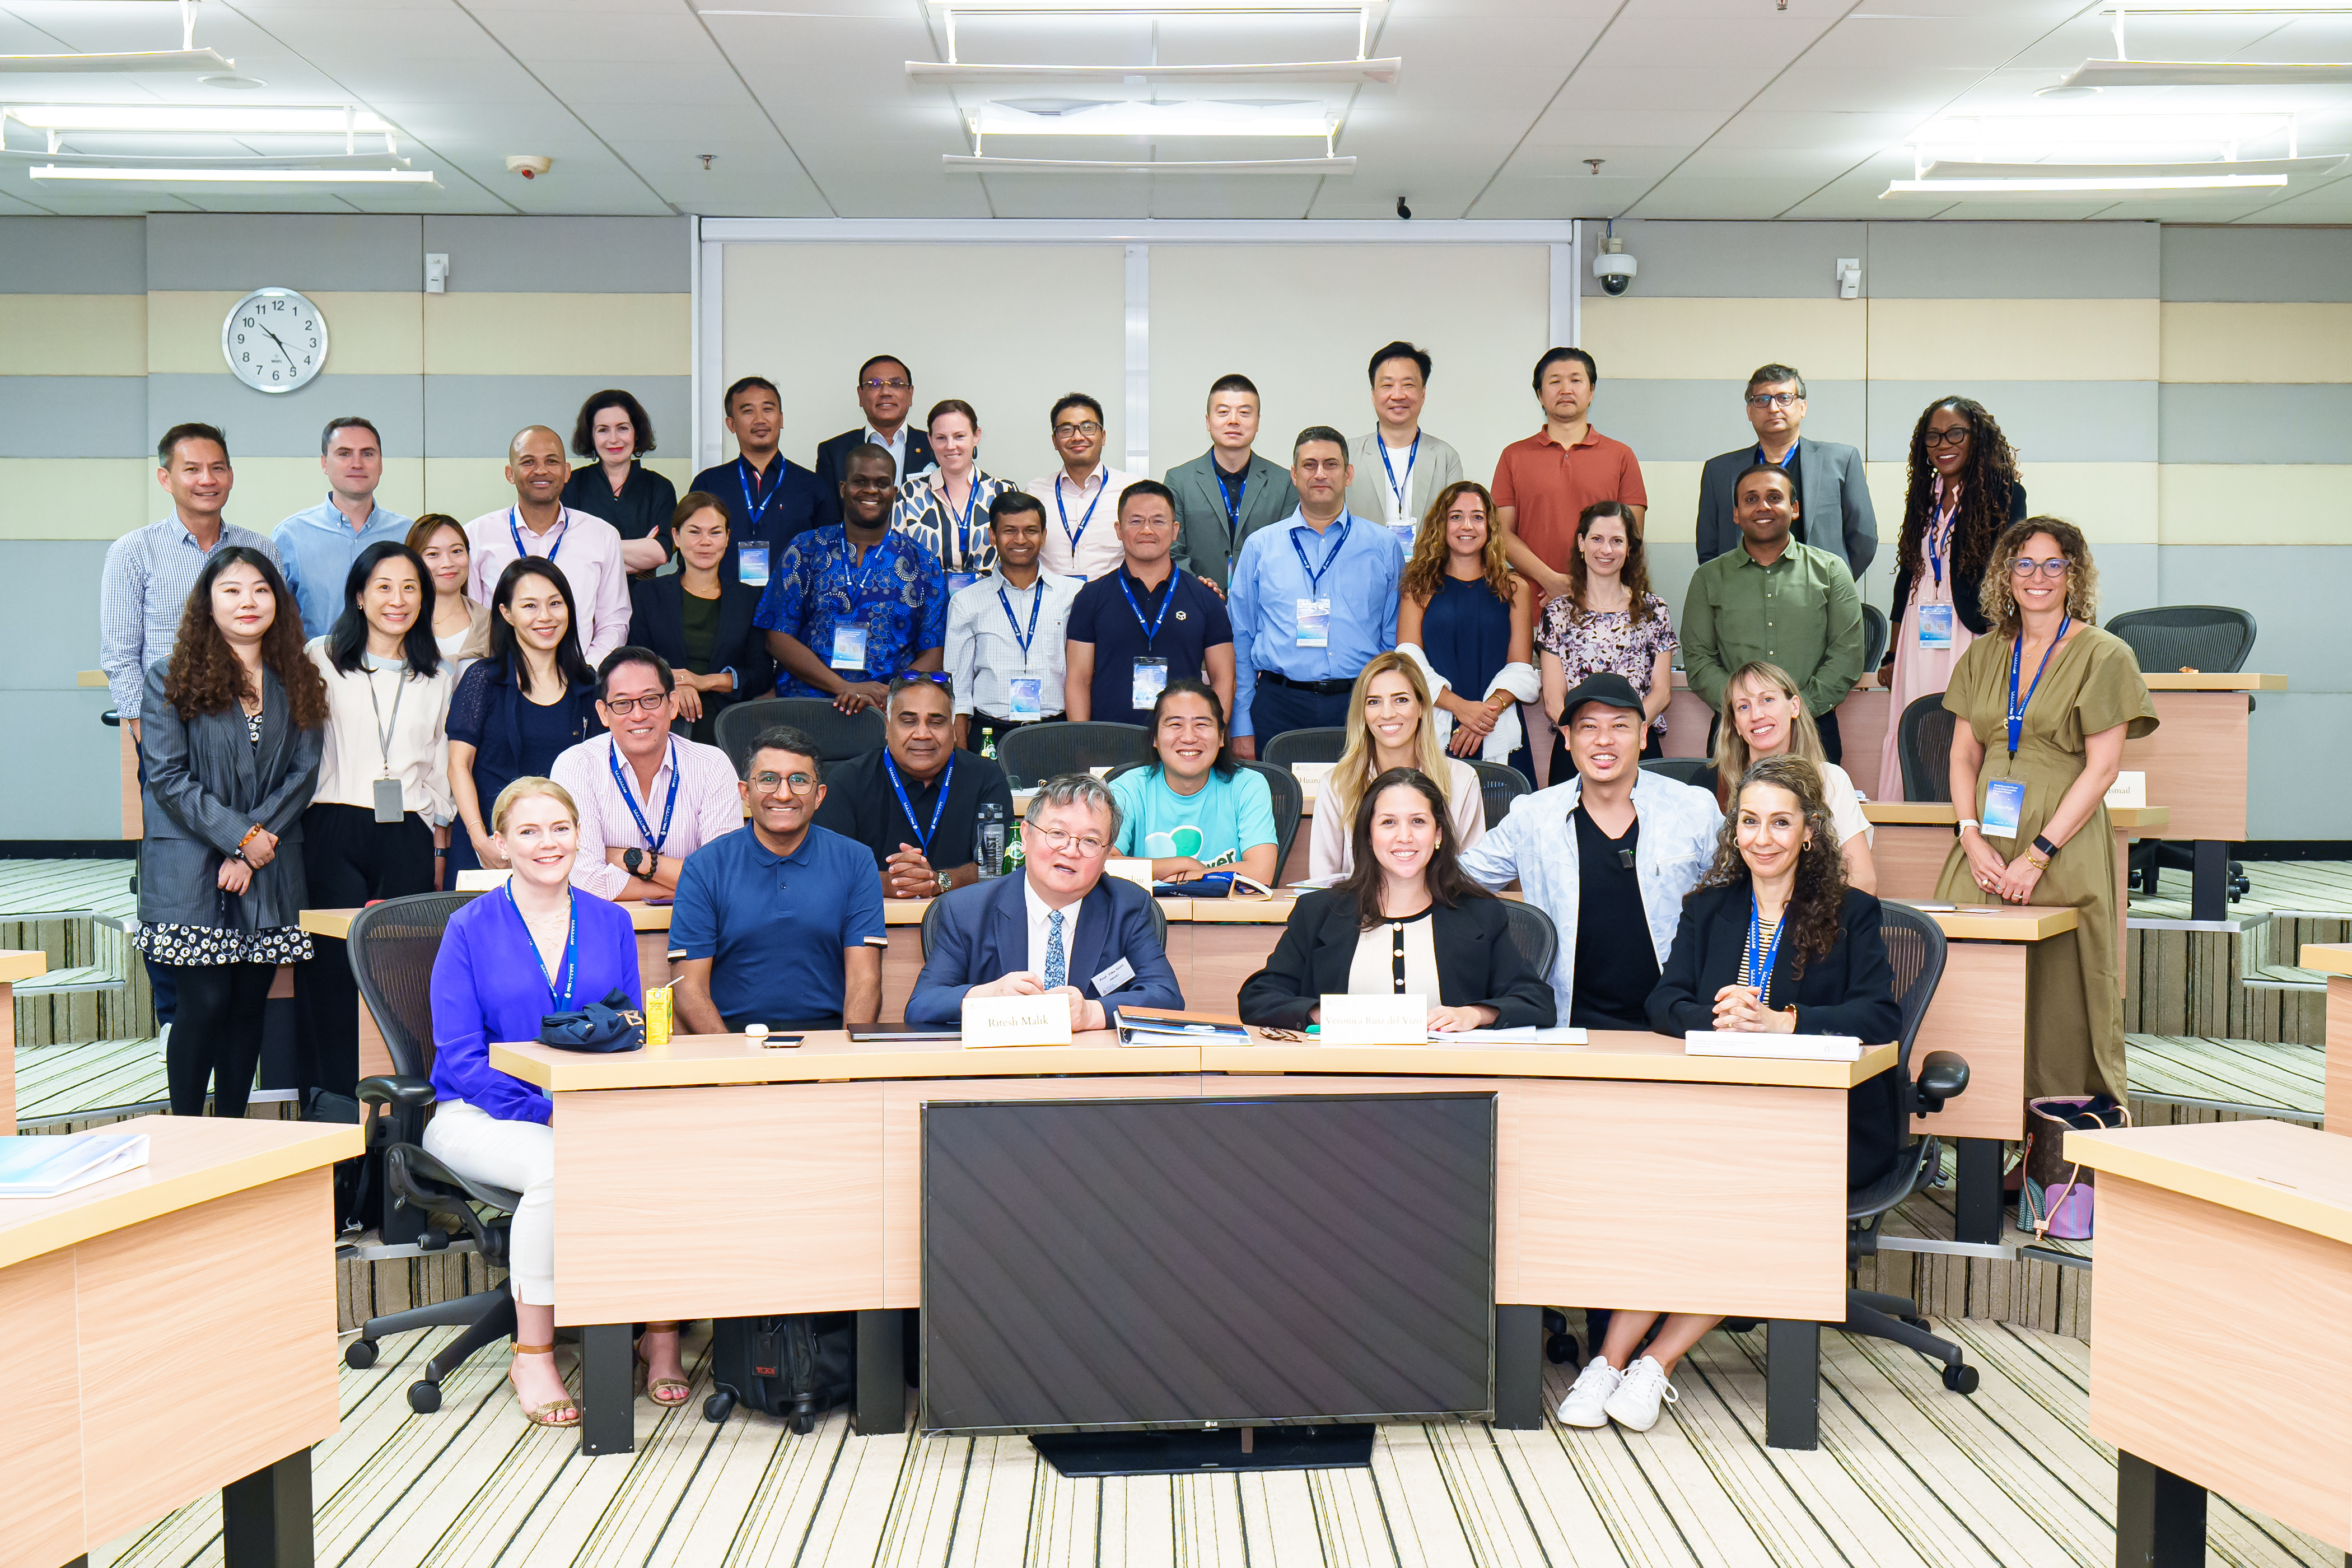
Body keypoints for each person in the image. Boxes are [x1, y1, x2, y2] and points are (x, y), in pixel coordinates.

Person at [1554, 755, 1901, 1435]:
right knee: (1673, 1188)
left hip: (1824, 1125)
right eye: (1749, 822)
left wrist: (1785, 1022)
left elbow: (1881, 1016)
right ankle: (1609, 1363)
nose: (1762, 837)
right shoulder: (1708, 908)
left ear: (1809, 832)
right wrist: (1719, 1016)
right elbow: (1663, 1000)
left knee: (1738, 1197)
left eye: (1780, 822)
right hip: (1719, 1114)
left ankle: (1656, 1360)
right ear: (1733, 830)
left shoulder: (1852, 912)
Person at [422, 776, 678, 1425]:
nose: (547, 843)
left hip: (586, 1108)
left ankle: (661, 1333)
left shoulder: (611, 921)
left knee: (670, 1151)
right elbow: (461, 1059)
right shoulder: (467, 928)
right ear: (500, 845)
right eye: (528, 832)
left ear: (578, 836)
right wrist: (546, 1111)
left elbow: (623, 1028)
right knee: (558, 1165)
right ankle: (533, 1351)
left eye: (559, 828)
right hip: (475, 1114)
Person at [1934, 517, 2156, 1105]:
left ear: (2074, 575)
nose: (2038, 576)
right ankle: (1989, 1135)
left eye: (2054, 564)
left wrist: (2039, 854)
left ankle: (2060, 1157)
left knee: (2063, 997)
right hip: (1983, 847)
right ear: (2005, 576)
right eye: (2024, 564)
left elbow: (2102, 769)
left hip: (2061, 847)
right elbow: (1962, 753)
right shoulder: (1984, 653)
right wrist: (1970, 834)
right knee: (1973, 988)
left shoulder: (2104, 654)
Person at [101, 422, 281, 1032]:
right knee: (178, 875)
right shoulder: (134, 551)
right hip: (169, 739)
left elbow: (281, 640)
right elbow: (121, 656)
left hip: (249, 740)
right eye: (192, 469)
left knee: (237, 862)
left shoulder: (260, 547)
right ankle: (175, 1013)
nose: (207, 479)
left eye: (218, 467)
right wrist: (150, 739)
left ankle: (227, 1015)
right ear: (166, 477)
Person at [134, 547, 324, 1118]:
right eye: (232, 590)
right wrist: (242, 837)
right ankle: (190, 1130)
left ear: (278, 602)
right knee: (205, 1001)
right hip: (191, 863)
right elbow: (167, 775)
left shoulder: (297, 677)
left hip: (268, 864)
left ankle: (233, 1128)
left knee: (249, 1005)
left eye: (261, 590)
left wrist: (253, 849)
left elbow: (304, 773)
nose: (248, 601)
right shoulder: (170, 675)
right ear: (207, 604)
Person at [1458, 674, 1720, 1030]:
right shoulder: (1533, 816)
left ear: (1643, 736)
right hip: (1567, 1025)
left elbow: (1738, 892)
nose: (1604, 740)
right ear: (1568, 739)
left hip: (1676, 1022)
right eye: (1588, 727)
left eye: (1620, 726)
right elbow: (1460, 880)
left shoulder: (1693, 809)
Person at [296, 542, 455, 1117]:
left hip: (405, 833)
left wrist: (436, 819)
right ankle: (336, 1113)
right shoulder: (321, 657)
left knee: (401, 981)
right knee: (334, 979)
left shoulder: (436, 675)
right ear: (359, 597)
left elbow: (440, 759)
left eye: (411, 587)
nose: (398, 599)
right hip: (333, 826)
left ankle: (401, 1121)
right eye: (384, 587)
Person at [1241, 768, 1555, 1031]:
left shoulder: (1480, 913)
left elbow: (1536, 1002)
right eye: (1388, 822)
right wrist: (1326, 1016)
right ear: (1368, 834)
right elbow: (1258, 998)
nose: (1404, 837)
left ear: (1438, 834)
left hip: (1451, 1089)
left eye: (1418, 822)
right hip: (1339, 1086)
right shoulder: (1319, 912)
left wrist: (1473, 1015)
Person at [906, 773, 1186, 1028]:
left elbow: (1167, 997)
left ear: (1106, 856)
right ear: (1026, 836)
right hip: (999, 1073)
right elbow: (921, 1006)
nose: (1071, 850)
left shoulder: (1128, 906)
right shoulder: (966, 910)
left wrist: (1092, 1013)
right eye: (1057, 834)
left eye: (1089, 841)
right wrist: (988, 995)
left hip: (1091, 1072)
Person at [1491, 348, 1648, 783]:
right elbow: (1501, 534)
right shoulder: (1514, 456)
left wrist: (1584, 586)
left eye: (1576, 379)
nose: (1565, 389)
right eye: (1554, 381)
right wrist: (1553, 581)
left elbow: (1630, 534)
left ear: (1592, 391)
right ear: (1540, 394)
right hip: (1534, 614)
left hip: (1608, 621)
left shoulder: (1620, 455)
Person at [671, 727, 887, 1032]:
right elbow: (687, 990)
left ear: (819, 795)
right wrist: (734, 1071)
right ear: (746, 793)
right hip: (732, 1043)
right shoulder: (704, 866)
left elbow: (865, 980)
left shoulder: (856, 861)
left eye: (799, 780)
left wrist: (843, 1065)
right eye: (768, 779)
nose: (783, 794)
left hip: (828, 1044)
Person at [1876, 396, 2028, 802]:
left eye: (1955, 433)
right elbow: (1908, 574)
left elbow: (2006, 572)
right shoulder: (1925, 496)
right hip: (1919, 624)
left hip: (1970, 628)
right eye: (1933, 437)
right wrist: (1891, 654)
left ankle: (1967, 814)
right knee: (1915, 720)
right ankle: (1914, 811)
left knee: (1966, 722)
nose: (1944, 444)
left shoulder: (2006, 494)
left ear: (1976, 438)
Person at [1229, 427, 1404, 757]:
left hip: (1358, 705)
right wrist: (1242, 723)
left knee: (1361, 806)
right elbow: (1241, 637)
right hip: (1278, 705)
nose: (1320, 474)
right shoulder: (1260, 546)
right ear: (1294, 475)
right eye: (1309, 465)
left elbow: (1392, 637)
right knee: (1280, 805)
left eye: (1331, 464)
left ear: (1349, 474)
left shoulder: (1383, 546)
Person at [1681, 463, 1865, 764]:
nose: (1763, 506)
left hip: (1813, 726)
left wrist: (1794, 709)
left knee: (1814, 811)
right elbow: (1699, 661)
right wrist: (1746, 711)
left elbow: (1848, 654)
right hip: (1735, 733)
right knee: (1737, 811)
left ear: (1794, 508)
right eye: (1751, 499)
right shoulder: (1708, 578)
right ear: (1736, 513)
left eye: (1774, 497)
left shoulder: (1831, 571)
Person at [757, 444, 946, 712]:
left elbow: (934, 653)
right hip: (808, 707)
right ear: (844, 489)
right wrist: (843, 687)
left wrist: (890, 694)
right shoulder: (805, 549)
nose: (871, 490)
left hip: (884, 712)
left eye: (882, 483)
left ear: (894, 493)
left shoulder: (923, 562)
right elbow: (777, 637)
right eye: (861, 481)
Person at [549, 647, 745, 902]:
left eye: (650, 699)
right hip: (606, 928)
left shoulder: (711, 765)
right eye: (622, 704)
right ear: (603, 713)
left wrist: (635, 859)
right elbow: (586, 882)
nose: (639, 715)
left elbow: (723, 879)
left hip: (698, 928)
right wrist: (692, 887)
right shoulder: (576, 765)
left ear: (672, 704)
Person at [445, 559, 600, 878]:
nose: (545, 617)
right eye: (530, 606)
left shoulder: (588, 686)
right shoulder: (483, 679)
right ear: (506, 614)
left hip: (558, 854)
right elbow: (458, 765)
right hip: (490, 846)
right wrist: (479, 840)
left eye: (555, 604)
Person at [814, 674, 1015, 897]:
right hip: (871, 920)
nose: (922, 734)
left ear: (954, 729)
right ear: (888, 727)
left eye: (936, 722)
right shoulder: (848, 779)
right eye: (908, 721)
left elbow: (995, 866)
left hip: (965, 920)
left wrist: (941, 881)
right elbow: (829, 866)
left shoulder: (986, 777)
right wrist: (886, 884)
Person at [1694, 662, 1878, 895]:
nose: (1757, 715)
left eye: (1767, 700)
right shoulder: (1710, 784)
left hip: (1812, 922)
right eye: (1743, 707)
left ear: (1794, 707)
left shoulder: (1830, 780)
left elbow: (1863, 882)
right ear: (1735, 725)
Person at [1065, 480, 1235, 729]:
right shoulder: (1091, 598)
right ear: (1119, 530)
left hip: (1183, 741)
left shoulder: (1206, 598)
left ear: (1175, 530)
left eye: (1158, 521)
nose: (1147, 530)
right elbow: (1078, 680)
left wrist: (1211, 733)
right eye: (1136, 521)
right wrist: (1083, 740)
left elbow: (1224, 678)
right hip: (1109, 739)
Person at [1397, 480, 1537, 778]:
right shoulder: (1418, 586)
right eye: (1456, 516)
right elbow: (1408, 662)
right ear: (1441, 525)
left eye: (1477, 516)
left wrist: (1485, 715)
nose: (1467, 526)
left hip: (1498, 725)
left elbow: (1522, 669)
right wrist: (1461, 709)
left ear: (1490, 526)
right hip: (1438, 727)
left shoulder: (1515, 588)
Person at [464, 426, 632, 666]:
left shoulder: (602, 535)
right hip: (502, 681)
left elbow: (614, 620)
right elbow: (473, 621)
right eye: (528, 462)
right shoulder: (476, 536)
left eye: (551, 461)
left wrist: (587, 670)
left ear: (566, 472)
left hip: (579, 680)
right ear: (510, 473)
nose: (541, 470)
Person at [1309, 652, 1482, 880]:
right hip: (1358, 912)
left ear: (1422, 706)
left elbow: (1473, 875)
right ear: (1362, 713)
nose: (1388, 714)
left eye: (1401, 700)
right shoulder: (1337, 783)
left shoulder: (1462, 779)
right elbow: (1323, 879)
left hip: (1443, 911)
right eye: (1374, 702)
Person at [1535, 501, 1676, 778]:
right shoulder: (1557, 612)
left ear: (1630, 548)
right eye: (1597, 539)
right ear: (1581, 543)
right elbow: (1553, 699)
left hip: (1639, 746)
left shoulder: (1654, 610)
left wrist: (1626, 733)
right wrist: (1588, 735)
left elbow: (1662, 693)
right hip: (1575, 749)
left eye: (1617, 541)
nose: (1606, 550)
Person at [1695, 365, 1876, 577]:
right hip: (1741, 600)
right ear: (1749, 412)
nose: (1773, 408)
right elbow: (1709, 549)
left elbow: (1864, 538)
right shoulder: (1719, 471)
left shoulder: (1841, 461)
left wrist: (1834, 588)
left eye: (1784, 398)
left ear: (1803, 407)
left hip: (1819, 597)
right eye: (1762, 399)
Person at [625, 493, 773, 745]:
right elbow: (634, 660)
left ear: (727, 539)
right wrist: (673, 682)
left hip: (730, 726)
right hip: (660, 721)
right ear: (676, 537)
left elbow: (761, 674)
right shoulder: (648, 594)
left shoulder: (749, 597)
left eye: (715, 533)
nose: (705, 542)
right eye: (695, 532)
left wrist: (703, 682)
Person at [1108, 680, 1278, 887]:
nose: (1189, 737)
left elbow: (1261, 872)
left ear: (1221, 737)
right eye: (1175, 725)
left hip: (1230, 917)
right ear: (1155, 738)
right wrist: (1184, 863)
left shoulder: (1248, 786)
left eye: (1201, 724)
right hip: (1148, 917)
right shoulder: (1127, 789)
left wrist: (1190, 876)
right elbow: (1105, 865)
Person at [946, 492, 1079, 755]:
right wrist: (960, 756)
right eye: (1010, 531)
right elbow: (957, 692)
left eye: (1031, 530)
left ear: (1044, 536)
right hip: (990, 735)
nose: (1021, 539)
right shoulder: (966, 602)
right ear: (993, 536)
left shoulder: (1075, 595)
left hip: (1057, 732)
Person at [689, 375, 836, 587]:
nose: (760, 420)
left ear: (781, 418)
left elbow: (830, 558)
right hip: (723, 608)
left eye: (768, 409)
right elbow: (690, 554)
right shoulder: (709, 484)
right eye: (748, 411)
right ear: (731, 424)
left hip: (793, 612)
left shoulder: (812, 486)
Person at [273, 417, 413, 637]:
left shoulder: (408, 534)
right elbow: (274, 619)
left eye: (368, 454)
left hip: (397, 668)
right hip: (314, 668)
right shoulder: (290, 536)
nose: (357, 464)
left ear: (381, 463)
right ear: (324, 463)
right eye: (344, 454)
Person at [1163, 374, 1299, 591]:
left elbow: (1289, 552)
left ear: (1257, 422)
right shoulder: (1178, 481)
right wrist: (1199, 591)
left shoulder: (1285, 483)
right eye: (1223, 412)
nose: (1233, 420)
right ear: (1208, 421)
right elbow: (1171, 549)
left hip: (1263, 606)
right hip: (1197, 606)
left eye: (1244, 413)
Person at [1345, 342, 1464, 550]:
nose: (1398, 395)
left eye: (1408, 385)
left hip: (1428, 577)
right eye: (1387, 385)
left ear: (1423, 393)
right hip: (1361, 574)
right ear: (1373, 394)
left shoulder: (1445, 457)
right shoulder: (1347, 454)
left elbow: (1456, 525)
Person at [892, 398, 1015, 590]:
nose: (950, 446)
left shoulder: (1003, 493)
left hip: (992, 606)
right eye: (941, 438)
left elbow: (1017, 558)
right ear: (930, 441)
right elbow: (897, 561)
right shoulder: (909, 495)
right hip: (928, 608)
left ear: (976, 437)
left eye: (959, 436)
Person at [561, 389, 677, 576]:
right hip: (586, 599)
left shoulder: (659, 487)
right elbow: (567, 551)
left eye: (623, 428)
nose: (613, 439)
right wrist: (639, 553)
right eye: (603, 430)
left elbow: (661, 553)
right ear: (592, 437)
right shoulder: (571, 485)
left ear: (636, 433)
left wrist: (594, 550)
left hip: (643, 599)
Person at [1027, 393, 1140, 581]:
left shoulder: (1132, 489)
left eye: (1087, 428)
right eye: (1066, 430)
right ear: (1055, 441)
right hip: (1049, 604)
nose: (1078, 437)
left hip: (1113, 603)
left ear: (1103, 437)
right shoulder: (1035, 493)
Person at [816, 354, 936, 489]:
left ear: (910, 394)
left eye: (896, 384)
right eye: (875, 385)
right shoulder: (834, 452)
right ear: (860, 395)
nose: (885, 392)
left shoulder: (936, 446)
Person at [407, 514, 494, 668]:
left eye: (456, 551)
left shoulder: (492, 625)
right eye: (433, 554)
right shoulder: (399, 619)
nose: (448, 563)